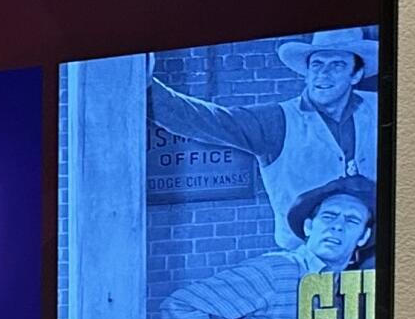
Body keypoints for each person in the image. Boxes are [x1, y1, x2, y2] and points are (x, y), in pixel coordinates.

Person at [147, 27, 378, 248]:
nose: (323, 74)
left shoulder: (379, 108)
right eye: (317, 64)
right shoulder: (276, 121)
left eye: (337, 65)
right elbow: (201, 119)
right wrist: (143, 82)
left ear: (356, 74)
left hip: (374, 256)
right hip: (304, 262)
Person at [159, 176, 377, 319]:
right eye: (329, 216)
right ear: (309, 227)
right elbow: (182, 304)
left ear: (363, 236)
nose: (337, 226)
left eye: (352, 220)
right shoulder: (278, 270)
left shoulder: (348, 288)